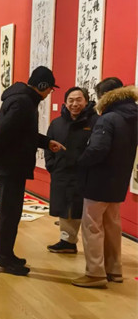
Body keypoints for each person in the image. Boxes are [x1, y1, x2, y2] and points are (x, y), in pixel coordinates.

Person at [0, 66, 65, 276]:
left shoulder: (23, 99)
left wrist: (47, 143)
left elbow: (23, 133)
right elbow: (3, 132)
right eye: (50, 89)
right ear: (42, 86)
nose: (50, 93)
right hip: (11, 167)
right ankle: (3, 259)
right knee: (9, 214)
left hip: (12, 166)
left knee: (11, 213)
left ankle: (7, 254)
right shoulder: (23, 102)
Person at [72, 78, 138, 288]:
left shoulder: (108, 118)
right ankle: (114, 269)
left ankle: (95, 273)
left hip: (98, 181)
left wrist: (80, 162)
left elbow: (98, 149)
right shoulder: (133, 117)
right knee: (112, 226)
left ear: (105, 96)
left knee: (92, 226)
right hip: (119, 180)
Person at [44, 87, 97, 254]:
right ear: (65, 103)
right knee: (63, 207)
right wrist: (51, 164)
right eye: (71, 100)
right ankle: (67, 241)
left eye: (79, 100)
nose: (75, 104)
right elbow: (48, 145)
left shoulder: (94, 122)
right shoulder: (57, 123)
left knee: (80, 209)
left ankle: (91, 248)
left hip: (84, 174)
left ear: (86, 101)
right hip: (61, 171)